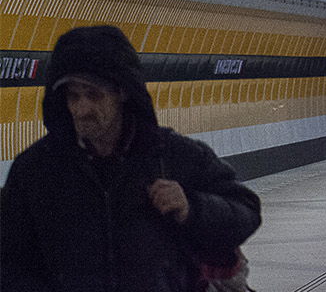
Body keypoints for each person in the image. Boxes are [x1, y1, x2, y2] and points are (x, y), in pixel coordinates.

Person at [1, 25, 262, 291]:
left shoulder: (172, 155)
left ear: (123, 92)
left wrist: (192, 208)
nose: (81, 109)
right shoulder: (35, 171)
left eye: (94, 95)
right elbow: (9, 262)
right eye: (73, 96)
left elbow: (246, 211)